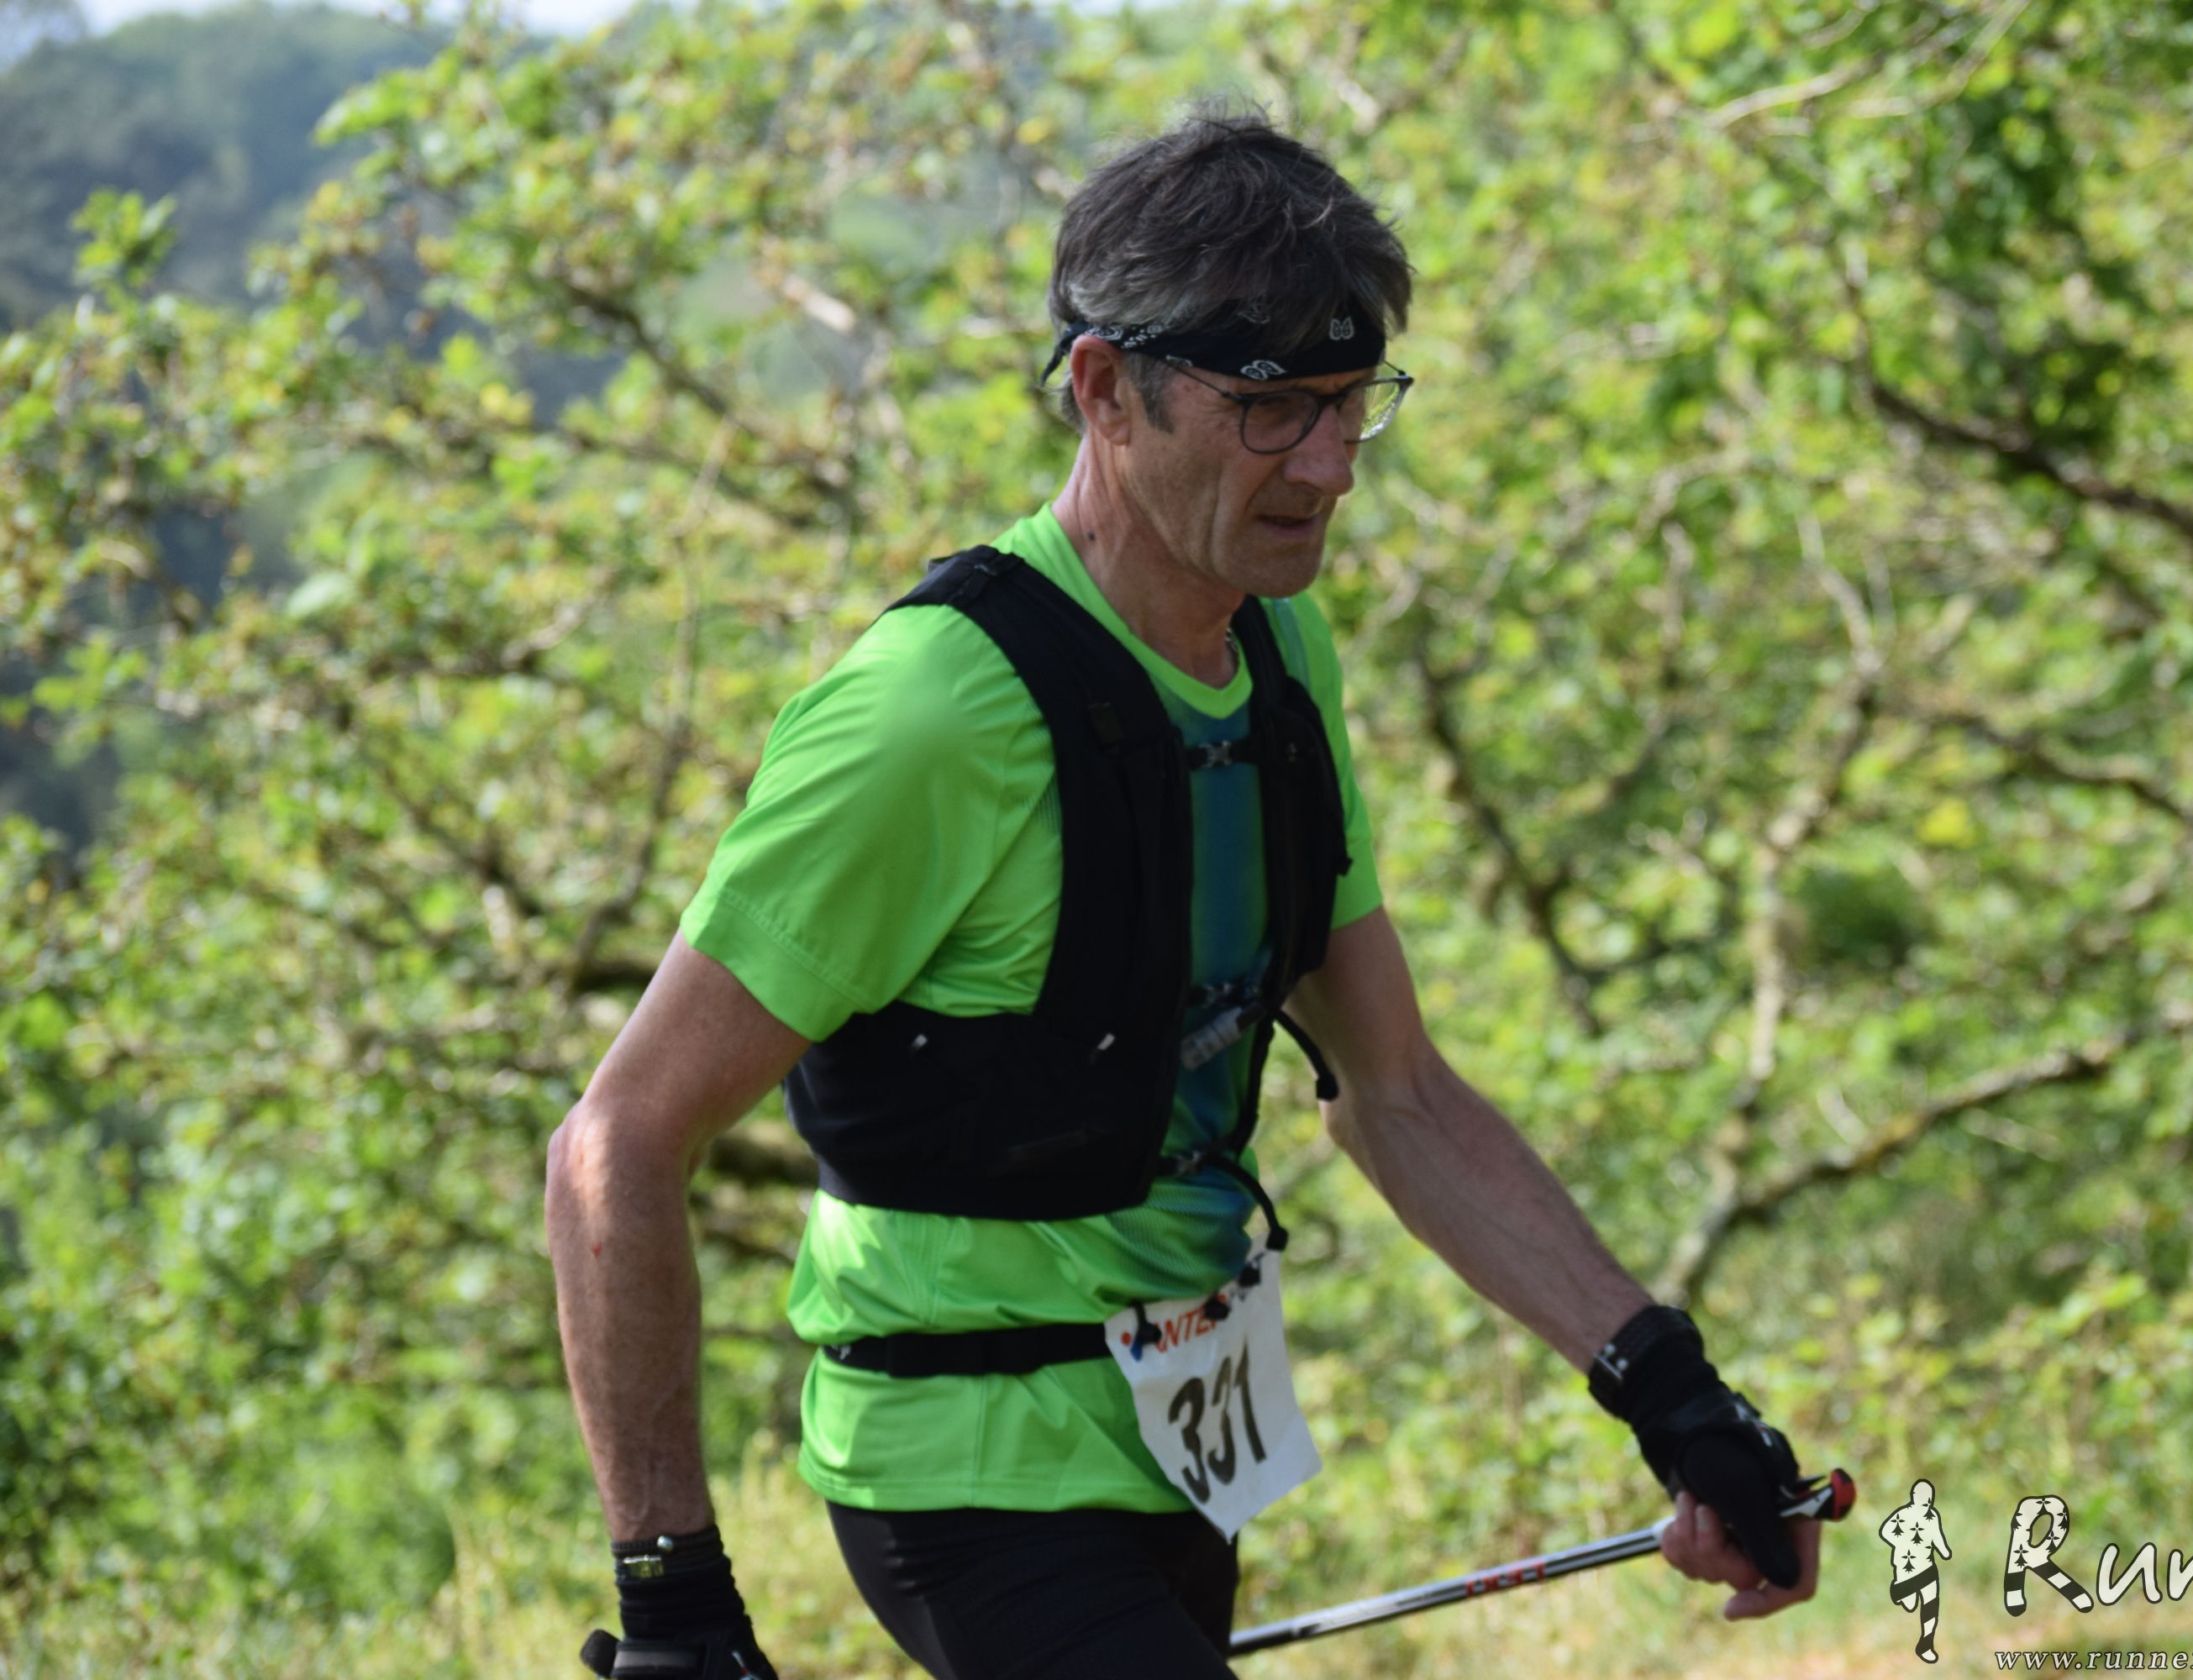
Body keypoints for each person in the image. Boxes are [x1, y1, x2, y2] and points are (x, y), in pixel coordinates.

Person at [547, 102, 1831, 1680]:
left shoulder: (1278, 654)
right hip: (971, 1472)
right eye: (1272, 408)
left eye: (1353, 403)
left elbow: (1399, 1096)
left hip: (1181, 1457)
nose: (1332, 466)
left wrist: (1674, 1396)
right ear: (1106, 390)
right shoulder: (931, 716)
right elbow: (614, 1144)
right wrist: (673, 1602)